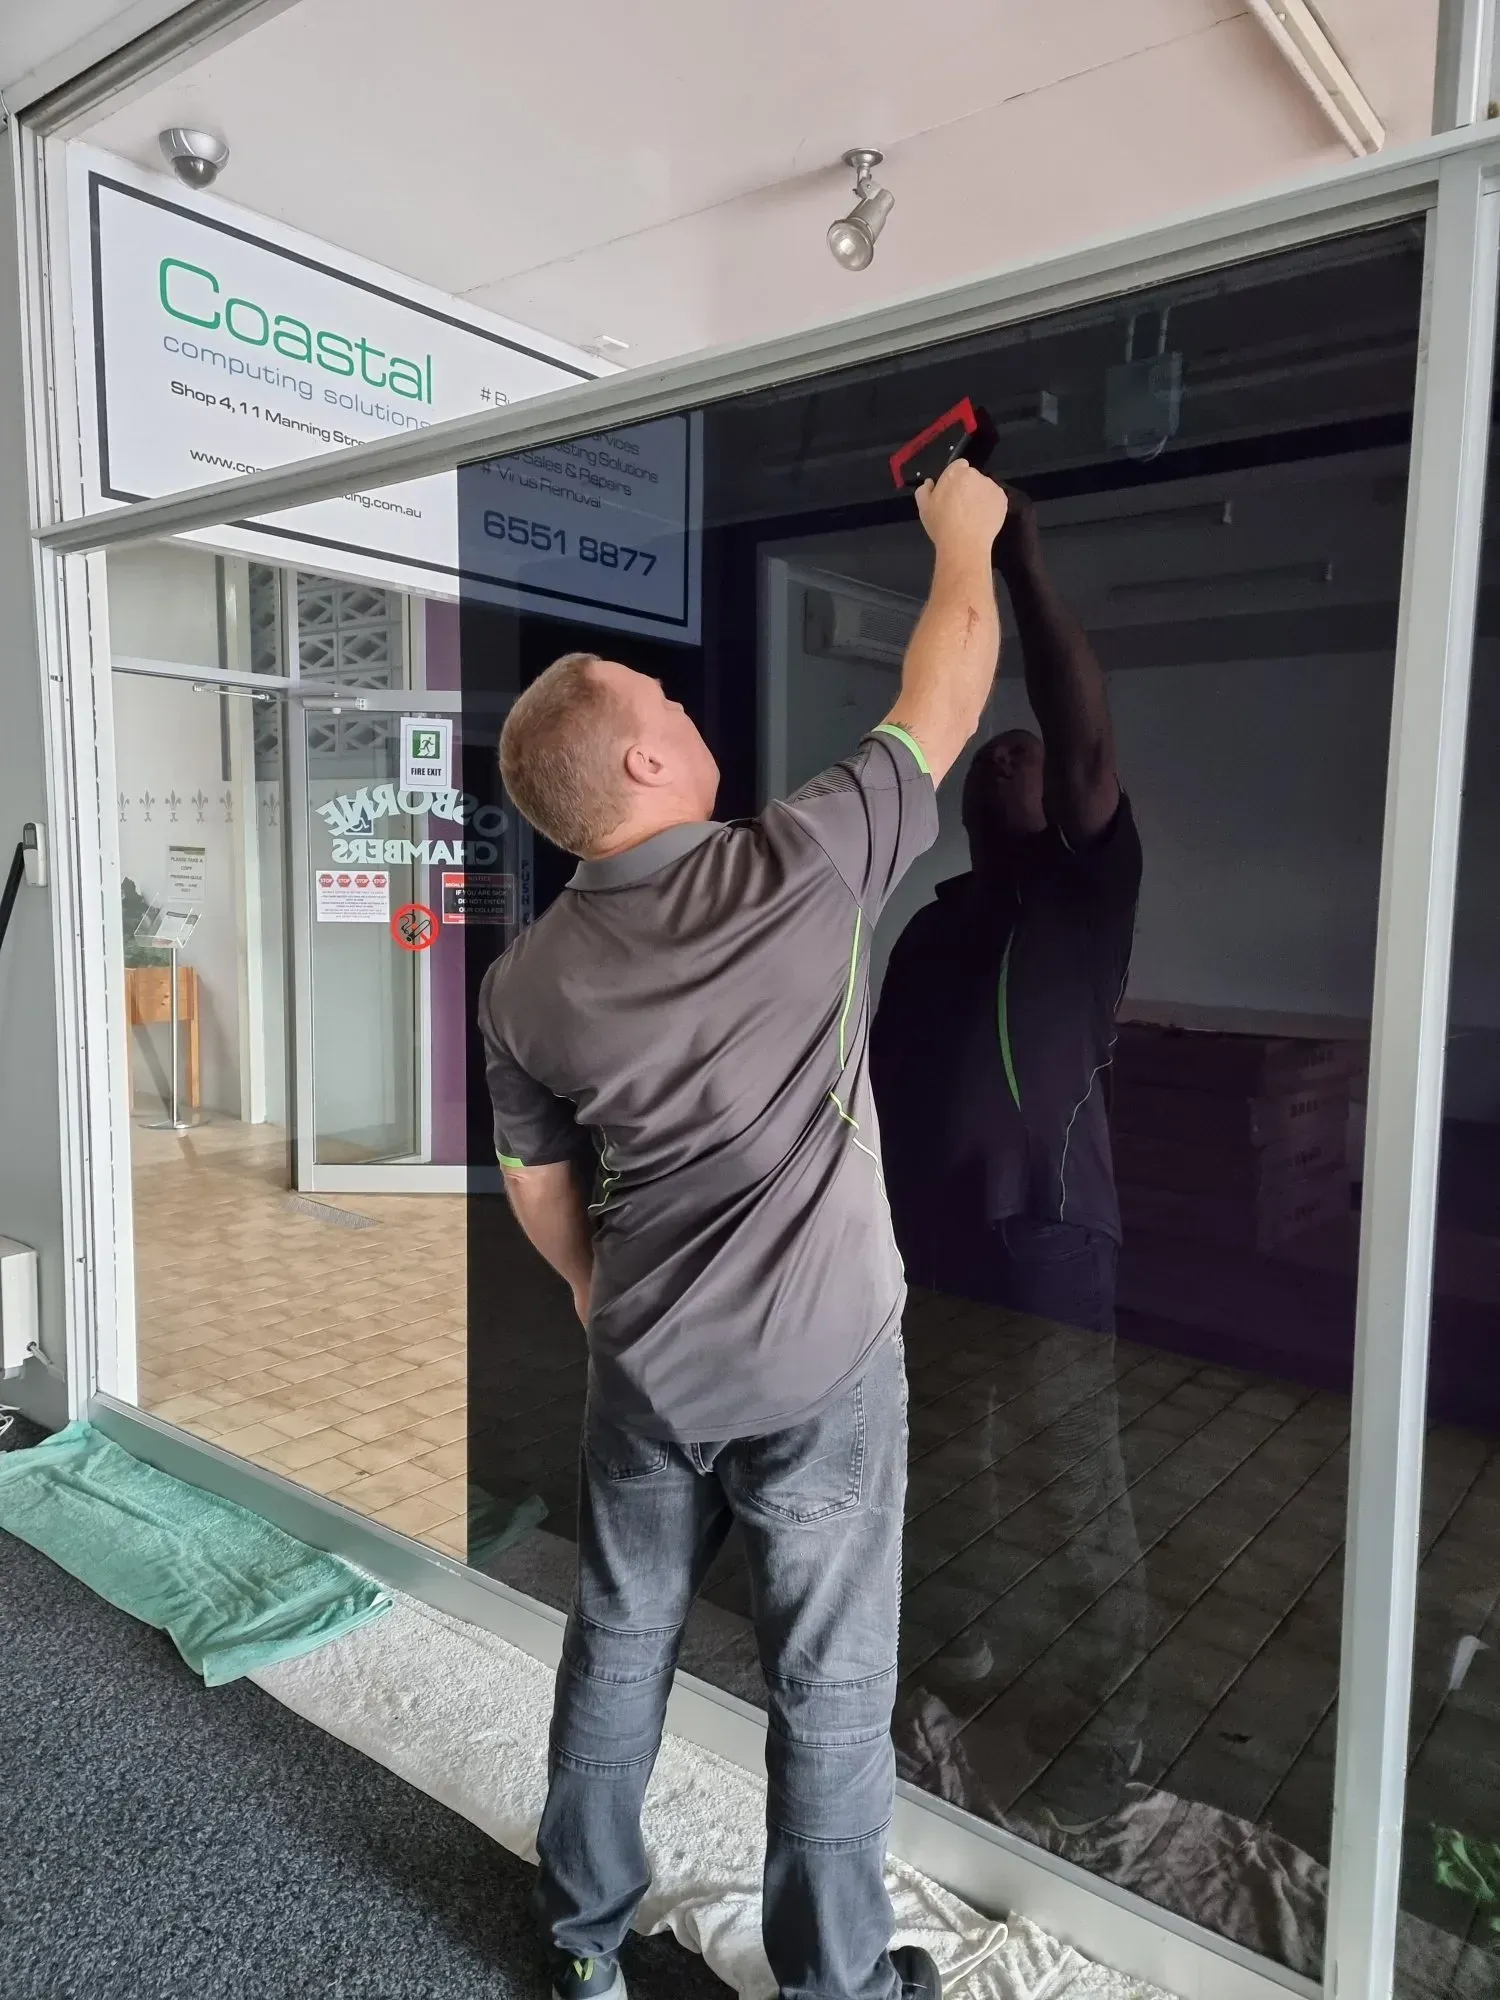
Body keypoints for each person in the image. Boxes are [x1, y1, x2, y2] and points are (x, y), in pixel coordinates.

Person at [478, 460, 1010, 2000]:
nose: (692, 706)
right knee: (830, 1688)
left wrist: (597, 1299)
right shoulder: (797, 865)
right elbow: (949, 683)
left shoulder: (525, 980)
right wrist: (963, 535)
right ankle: (835, 1988)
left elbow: (536, 1182)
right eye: (667, 694)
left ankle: (582, 1944)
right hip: (823, 1371)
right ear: (647, 757)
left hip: (643, 1368)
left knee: (619, 1637)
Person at [871, 488, 1146, 1835]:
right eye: (994, 750)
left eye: (1029, 751)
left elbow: (1083, 730)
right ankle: (958, 1652)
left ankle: (1108, 1733)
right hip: (930, 1243)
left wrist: (1017, 558)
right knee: (939, 1464)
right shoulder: (929, 930)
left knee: (1067, 1484)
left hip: (1045, 1239)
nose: (1010, 756)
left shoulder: (1084, 895)